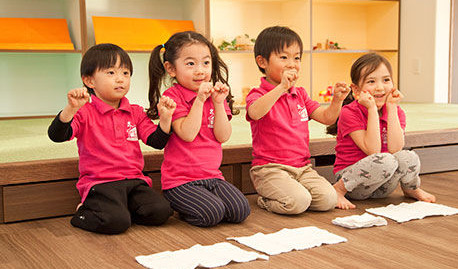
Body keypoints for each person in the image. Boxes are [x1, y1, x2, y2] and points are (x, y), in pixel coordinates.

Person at [48, 43, 174, 234]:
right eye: (111, 73)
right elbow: (56, 135)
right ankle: (83, 211)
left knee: (161, 211)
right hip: (101, 184)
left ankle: (121, 210)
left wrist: (166, 119)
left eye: (125, 73)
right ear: (89, 81)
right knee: (116, 222)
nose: (120, 79)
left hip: (134, 181)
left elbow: (156, 141)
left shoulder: (135, 112)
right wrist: (71, 109)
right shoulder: (84, 112)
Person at [147, 31, 250, 227]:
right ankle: (181, 207)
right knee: (212, 214)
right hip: (180, 182)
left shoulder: (214, 95)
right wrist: (200, 100)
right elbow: (187, 134)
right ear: (171, 68)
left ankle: (201, 203)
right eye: (190, 64)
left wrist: (218, 103)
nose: (200, 70)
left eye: (205, 62)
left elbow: (223, 136)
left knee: (240, 210)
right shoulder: (173, 96)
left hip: (212, 177)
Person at [246, 26, 350, 215]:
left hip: (302, 168)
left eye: (297, 58)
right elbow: (254, 112)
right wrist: (281, 88)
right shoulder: (258, 94)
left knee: (328, 199)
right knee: (297, 202)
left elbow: (327, 118)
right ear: (262, 62)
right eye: (283, 57)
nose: (292, 64)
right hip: (270, 170)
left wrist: (337, 100)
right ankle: (266, 200)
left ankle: (294, 192)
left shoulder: (300, 94)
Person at [326, 53, 436, 210]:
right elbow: (373, 151)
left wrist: (391, 108)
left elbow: (395, 148)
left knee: (407, 156)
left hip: (382, 185)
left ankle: (410, 188)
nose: (380, 87)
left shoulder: (396, 111)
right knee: (386, 160)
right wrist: (371, 109)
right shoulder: (349, 112)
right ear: (356, 90)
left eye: (386, 80)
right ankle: (338, 189)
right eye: (371, 81)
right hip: (353, 184)